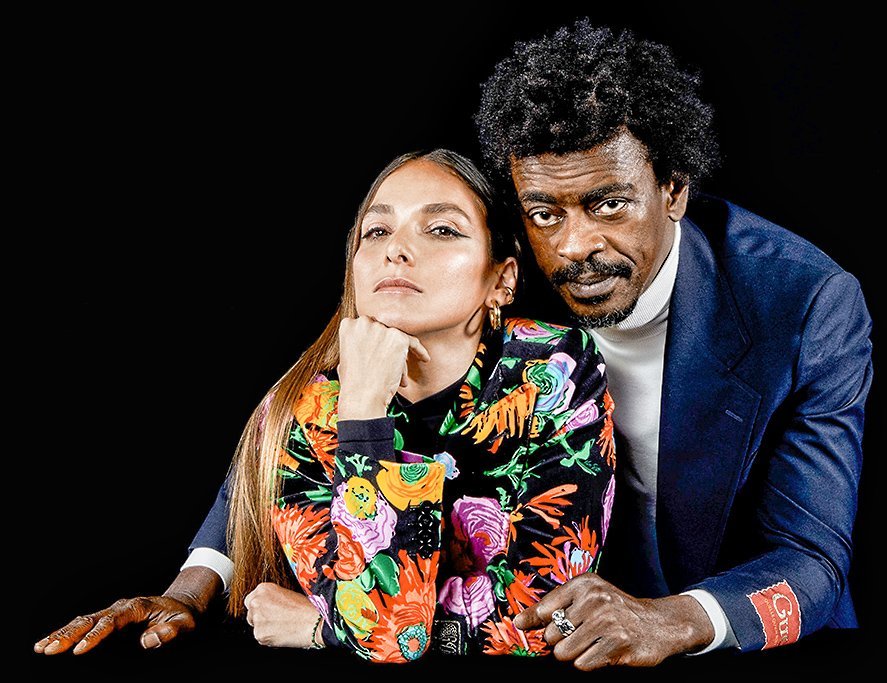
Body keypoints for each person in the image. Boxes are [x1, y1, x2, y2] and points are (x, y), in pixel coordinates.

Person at [39, 18, 875, 670]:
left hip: (717, 638)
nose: (575, 246)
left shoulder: (802, 303)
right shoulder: (493, 259)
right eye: (545, 213)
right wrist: (195, 583)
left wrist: (674, 619)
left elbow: (810, 556)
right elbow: (293, 422)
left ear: (675, 188)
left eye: (610, 204)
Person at [34, 149, 616, 662]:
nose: (397, 251)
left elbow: (548, 618)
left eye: (442, 230)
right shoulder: (311, 409)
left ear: (502, 280)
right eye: (376, 232)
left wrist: (321, 628)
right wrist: (363, 413)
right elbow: (388, 633)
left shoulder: (557, 372)